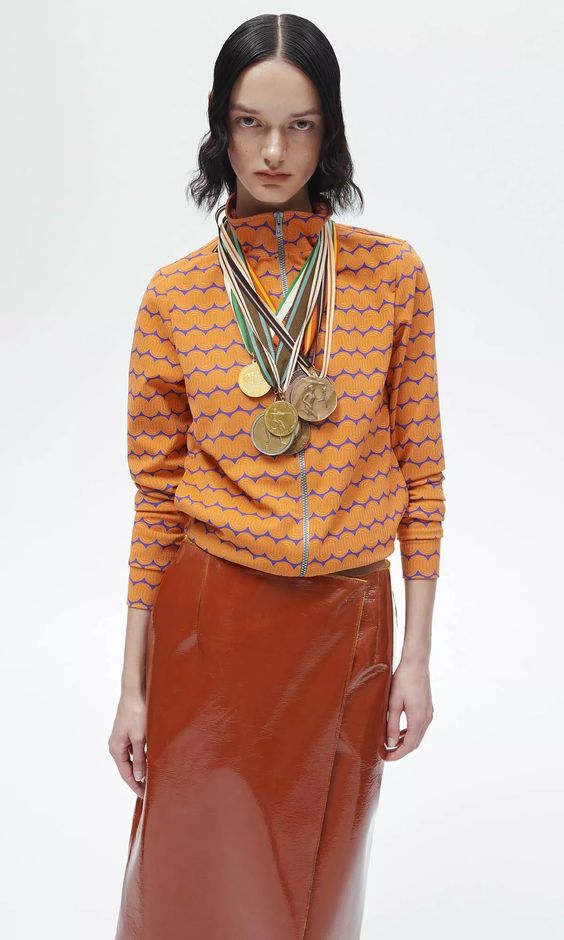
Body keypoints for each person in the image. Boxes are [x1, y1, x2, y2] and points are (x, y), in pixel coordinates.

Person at [109, 12, 446, 940]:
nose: (272, 151)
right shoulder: (175, 295)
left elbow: (424, 476)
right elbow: (155, 499)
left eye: (300, 126)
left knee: (317, 889)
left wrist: (416, 659)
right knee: (188, 887)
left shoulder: (391, 278)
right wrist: (133, 684)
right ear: (219, 127)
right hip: (209, 629)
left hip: (347, 627)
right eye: (250, 123)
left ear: (329, 130)